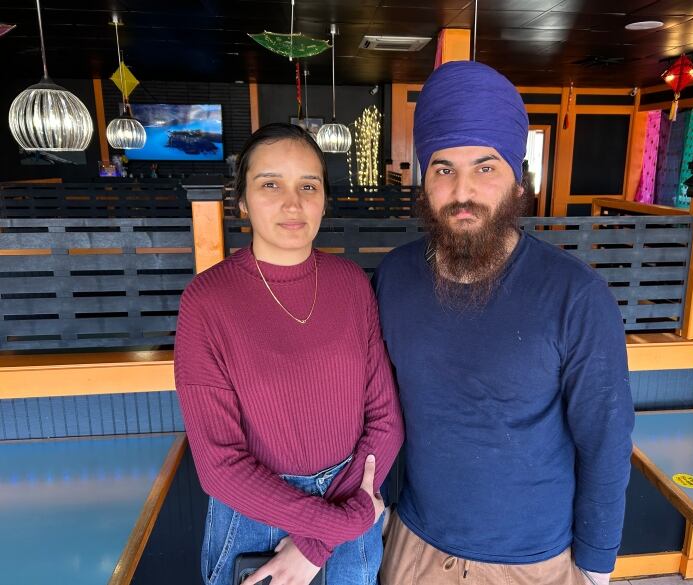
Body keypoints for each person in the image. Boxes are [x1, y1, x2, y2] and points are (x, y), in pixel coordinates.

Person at [374, 61, 635, 585]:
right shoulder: (395, 277)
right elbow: (368, 400)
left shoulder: (575, 294)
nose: (462, 190)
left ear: (519, 181)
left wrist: (596, 566)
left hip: (532, 561)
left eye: (485, 167)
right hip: (414, 547)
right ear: (424, 180)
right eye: (443, 168)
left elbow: (606, 441)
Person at [174, 123, 403, 585]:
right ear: (241, 201)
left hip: (350, 493)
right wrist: (343, 522)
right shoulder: (207, 301)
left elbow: (385, 422)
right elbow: (221, 468)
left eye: (308, 186)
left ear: (323, 198)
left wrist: (320, 540)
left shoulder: (351, 283)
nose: (292, 203)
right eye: (270, 184)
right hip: (256, 515)